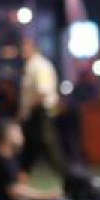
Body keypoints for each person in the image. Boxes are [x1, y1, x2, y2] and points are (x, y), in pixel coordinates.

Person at [17, 31, 69, 177]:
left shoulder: (39, 66)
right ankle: (20, 179)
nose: (22, 50)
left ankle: (69, 178)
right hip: (35, 114)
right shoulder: (31, 65)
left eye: (25, 46)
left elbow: (42, 92)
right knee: (29, 150)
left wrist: (25, 111)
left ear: (34, 47)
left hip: (40, 113)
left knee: (49, 149)